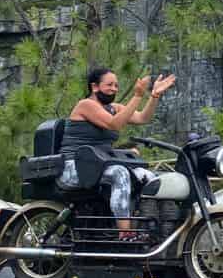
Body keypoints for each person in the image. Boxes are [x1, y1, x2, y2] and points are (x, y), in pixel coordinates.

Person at [60, 67, 177, 238]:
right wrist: (137, 96)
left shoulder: (114, 108)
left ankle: (153, 228)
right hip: (74, 167)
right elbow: (114, 124)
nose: (114, 89)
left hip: (99, 164)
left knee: (147, 176)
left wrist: (154, 96)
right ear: (95, 87)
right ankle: (125, 233)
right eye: (109, 85)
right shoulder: (85, 105)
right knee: (119, 173)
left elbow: (142, 118)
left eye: (116, 85)